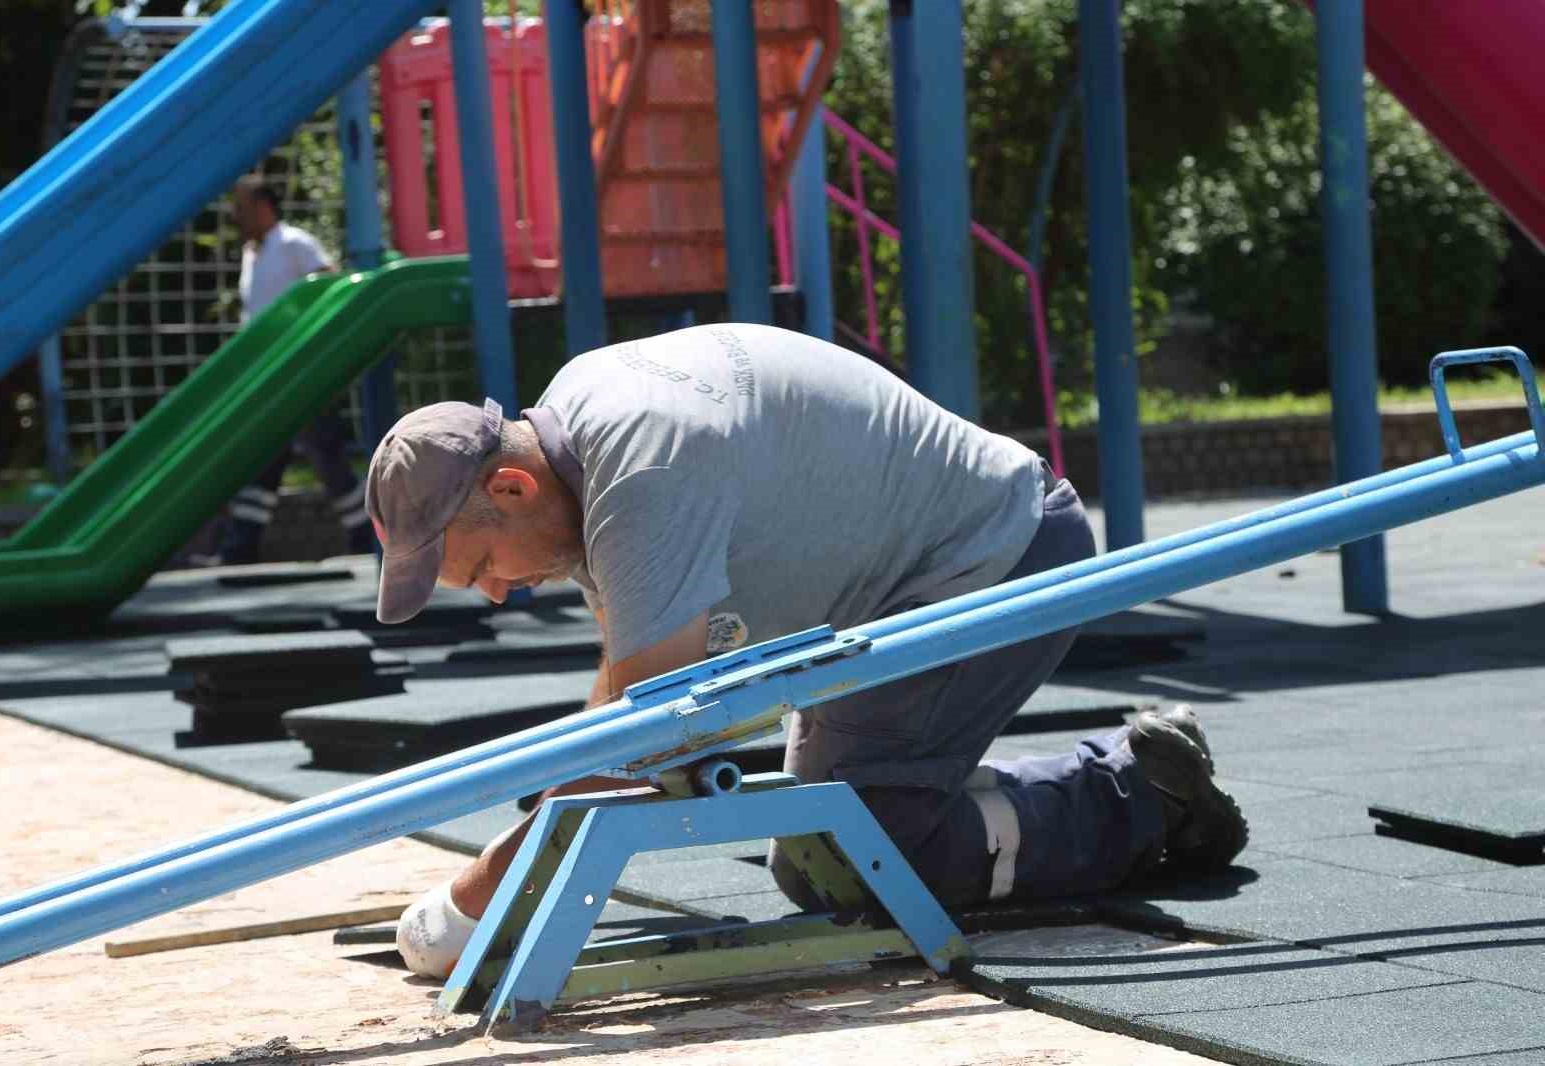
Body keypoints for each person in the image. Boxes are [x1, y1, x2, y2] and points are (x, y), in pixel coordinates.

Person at [364, 323, 1247, 978]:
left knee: (872, 863)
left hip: (989, 561)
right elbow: (629, 697)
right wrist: (557, 803)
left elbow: (653, 739)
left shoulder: (641, 475)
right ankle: (1032, 781)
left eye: (481, 565)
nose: (494, 591)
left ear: (511, 487)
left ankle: (1136, 792)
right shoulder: (582, 416)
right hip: (902, 586)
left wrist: (476, 894)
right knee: (824, 848)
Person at [197, 174, 375, 565]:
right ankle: (242, 545)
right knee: (272, 456)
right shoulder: (252, 252)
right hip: (269, 376)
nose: (235, 216)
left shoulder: (293, 243)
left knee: (322, 453)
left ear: (263, 207)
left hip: (300, 371)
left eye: (241, 208)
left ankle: (363, 535)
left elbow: (328, 285)